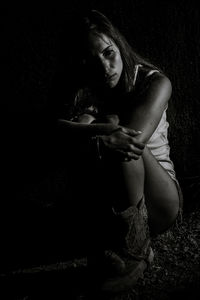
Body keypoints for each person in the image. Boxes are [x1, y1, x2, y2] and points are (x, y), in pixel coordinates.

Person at [56, 10, 182, 293]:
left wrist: (99, 129)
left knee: (119, 136)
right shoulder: (89, 89)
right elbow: (58, 131)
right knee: (103, 133)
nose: (104, 67)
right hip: (113, 197)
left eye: (108, 53)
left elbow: (132, 141)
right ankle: (112, 236)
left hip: (160, 199)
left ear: (118, 45)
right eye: (91, 61)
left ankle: (137, 251)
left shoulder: (155, 83)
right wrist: (94, 130)